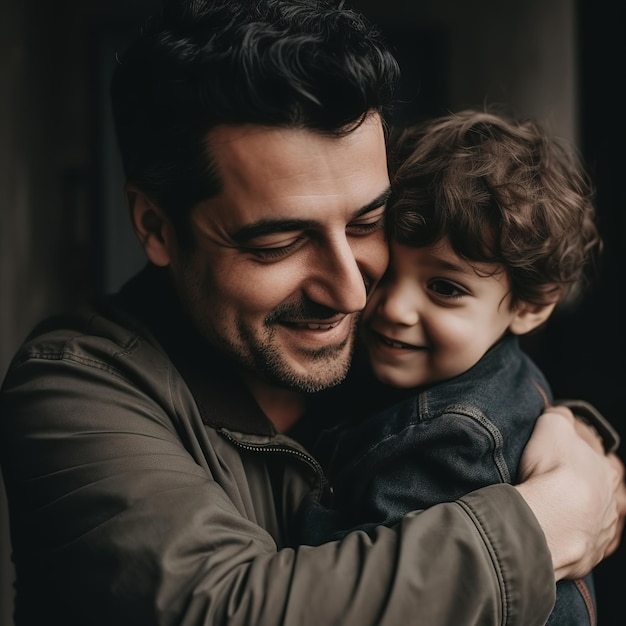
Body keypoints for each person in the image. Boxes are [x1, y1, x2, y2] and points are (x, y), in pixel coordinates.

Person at [0, 2, 623, 625]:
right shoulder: (72, 390)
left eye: (367, 223)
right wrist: (542, 523)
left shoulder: (383, 349)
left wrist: (574, 437)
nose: (353, 294)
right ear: (155, 226)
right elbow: (229, 609)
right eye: (279, 245)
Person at [297, 109, 619, 625]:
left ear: (530, 306)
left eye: (445, 288)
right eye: (384, 271)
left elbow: (354, 595)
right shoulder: (480, 367)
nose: (394, 308)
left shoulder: (449, 440)